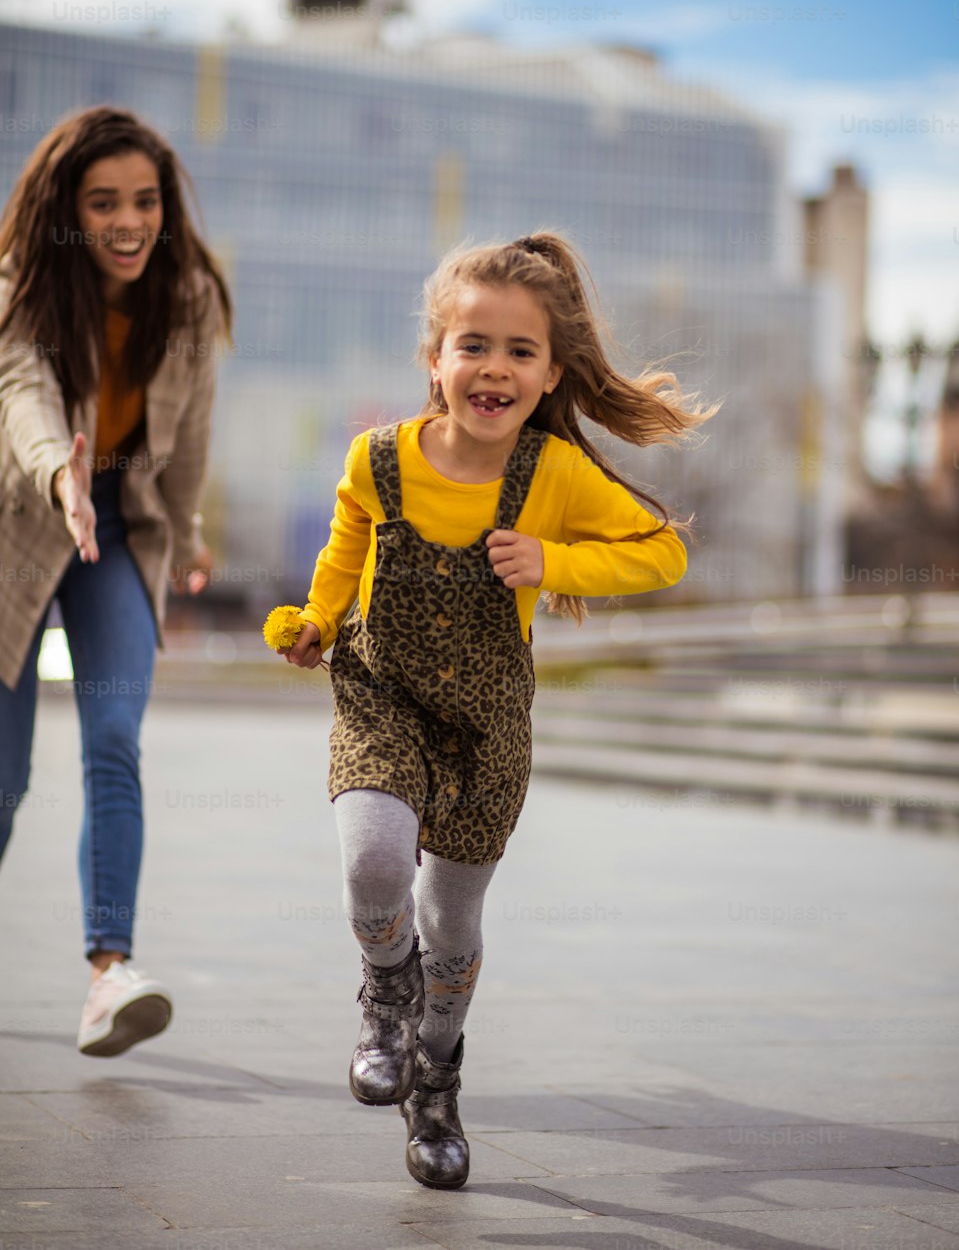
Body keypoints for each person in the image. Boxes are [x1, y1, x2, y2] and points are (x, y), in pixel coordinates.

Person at [280, 231, 714, 1189]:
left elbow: (662, 551)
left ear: (551, 372)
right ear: (435, 360)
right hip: (381, 698)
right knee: (377, 860)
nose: (495, 367)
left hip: (488, 726)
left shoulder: (553, 475)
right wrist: (315, 619)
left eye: (521, 351)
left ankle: (436, 1082)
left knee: (454, 917)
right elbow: (347, 548)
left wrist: (555, 563)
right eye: (472, 344)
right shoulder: (378, 459)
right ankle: (384, 994)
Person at [0, 105, 231, 1057]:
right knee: (4, 779)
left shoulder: (187, 303)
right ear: (69, 209)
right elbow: (22, 396)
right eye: (104, 203)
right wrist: (61, 473)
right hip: (19, 532)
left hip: (119, 541)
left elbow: (188, 441)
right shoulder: (22, 285)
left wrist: (185, 541)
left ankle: (109, 976)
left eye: (144, 200)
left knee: (112, 742)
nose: (128, 221)